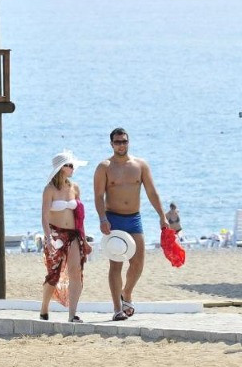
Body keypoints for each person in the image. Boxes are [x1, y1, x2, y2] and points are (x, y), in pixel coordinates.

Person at [94, 128, 169, 321]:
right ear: (111, 144)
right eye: (117, 142)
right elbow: (98, 196)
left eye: (124, 141)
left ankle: (126, 292)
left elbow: (152, 192)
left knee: (138, 263)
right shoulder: (104, 167)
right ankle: (117, 309)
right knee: (116, 265)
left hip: (134, 218)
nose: (121, 145)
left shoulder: (140, 165)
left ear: (128, 142)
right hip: (114, 219)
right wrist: (102, 218)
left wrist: (162, 216)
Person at [40, 150, 93, 323]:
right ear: (61, 168)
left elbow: (80, 216)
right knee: (53, 275)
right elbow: (44, 216)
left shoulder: (74, 188)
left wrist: (84, 239)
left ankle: (72, 314)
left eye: (72, 165)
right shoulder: (49, 189)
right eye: (69, 165)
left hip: (74, 234)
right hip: (56, 234)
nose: (72, 168)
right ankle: (44, 307)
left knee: (76, 272)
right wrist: (48, 238)